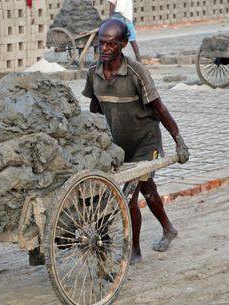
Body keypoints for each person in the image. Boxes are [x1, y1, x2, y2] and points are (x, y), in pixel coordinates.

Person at [82, 19, 189, 264]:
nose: (105, 49)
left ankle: (135, 250)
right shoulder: (94, 73)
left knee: (130, 195)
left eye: (111, 44)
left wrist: (179, 140)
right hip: (117, 145)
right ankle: (168, 229)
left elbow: (160, 108)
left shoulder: (136, 73)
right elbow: (94, 109)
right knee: (148, 190)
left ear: (123, 44)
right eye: (101, 43)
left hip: (145, 142)